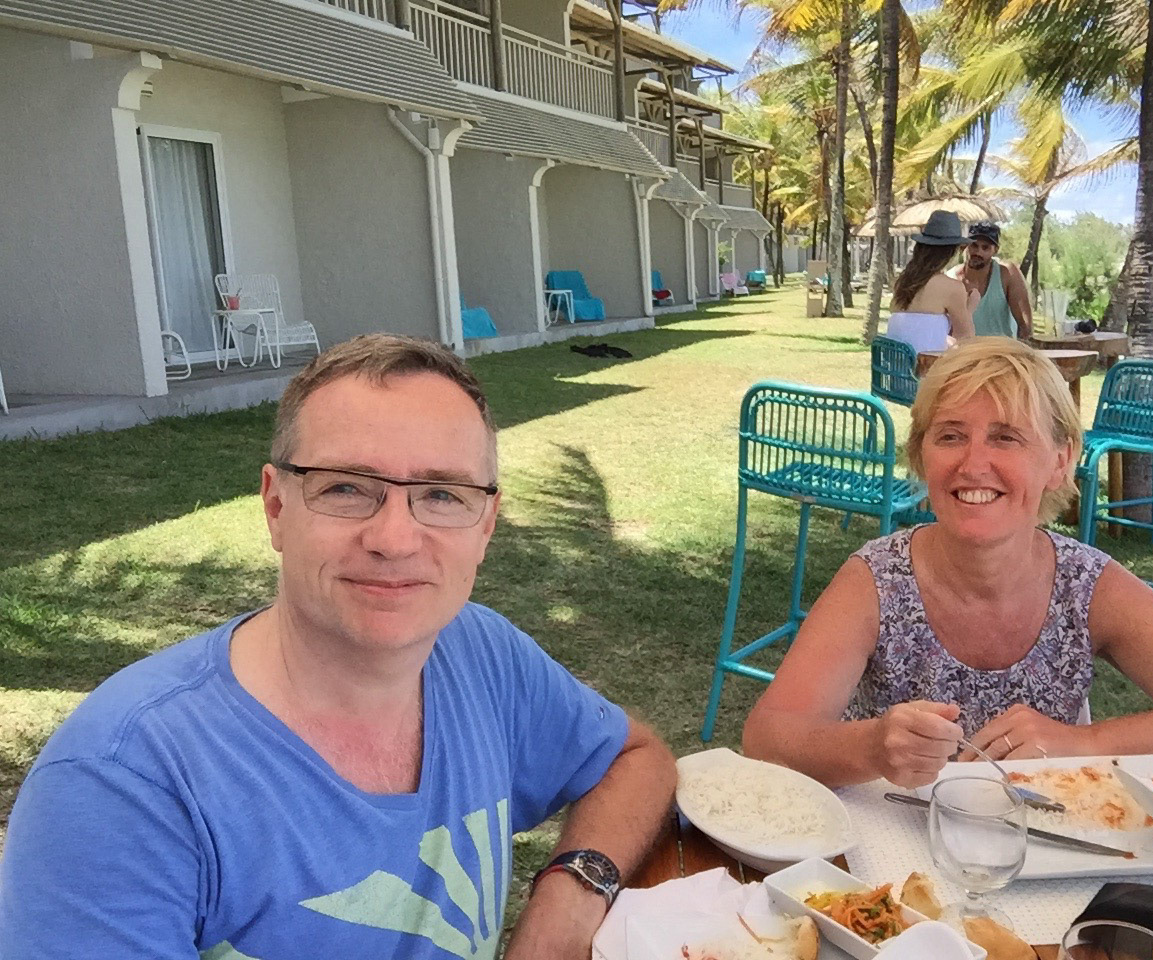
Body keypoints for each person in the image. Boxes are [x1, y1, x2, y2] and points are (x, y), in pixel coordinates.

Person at [0, 335, 676, 959]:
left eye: (442, 494)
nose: (394, 539)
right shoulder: (121, 788)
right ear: (276, 508)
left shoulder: (480, 653)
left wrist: (566, 903)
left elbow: (633, 759)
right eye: (346, 488)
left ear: (486, 525)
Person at [741, 338, 1153, 789]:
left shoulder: (1085, 583)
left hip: (1044, 836)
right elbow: (766, 737)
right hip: (895, 836)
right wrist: (871, 747)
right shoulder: (878, 579)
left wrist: (1086, 743)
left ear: (1060, 461)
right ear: (921, 455)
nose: (973, 463)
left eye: (1005, 437)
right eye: (951, 436)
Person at [885, 210, 977, 353]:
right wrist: (970, 307)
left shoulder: (902, 281)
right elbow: (966, 340)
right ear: (953, 250)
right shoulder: (952, 288)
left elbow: (917, 332)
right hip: (927, 366)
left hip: (895, 364)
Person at [951, 221, 1034, 339]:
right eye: (974, 245)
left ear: (995, 250)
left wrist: (1022, 348)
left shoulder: (1007, 274)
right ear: (965, 246)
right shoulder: (951, 278)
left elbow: (1025, 326)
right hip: (964, 349)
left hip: (1001, 349)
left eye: (985, 247)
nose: (978, 252)